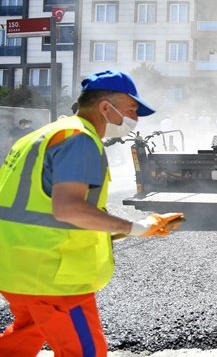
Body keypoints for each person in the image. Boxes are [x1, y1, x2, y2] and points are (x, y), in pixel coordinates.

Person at [0, 70, 185, 356]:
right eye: (131, 110)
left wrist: (141, 226)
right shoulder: (80, 139)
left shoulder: (41, 135)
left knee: (25, 337)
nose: (135, 119)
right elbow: (69, 209)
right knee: (85, 351)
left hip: (15, 268)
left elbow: (37, 209)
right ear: (104, 107)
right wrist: (134, 227)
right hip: (52, 276)